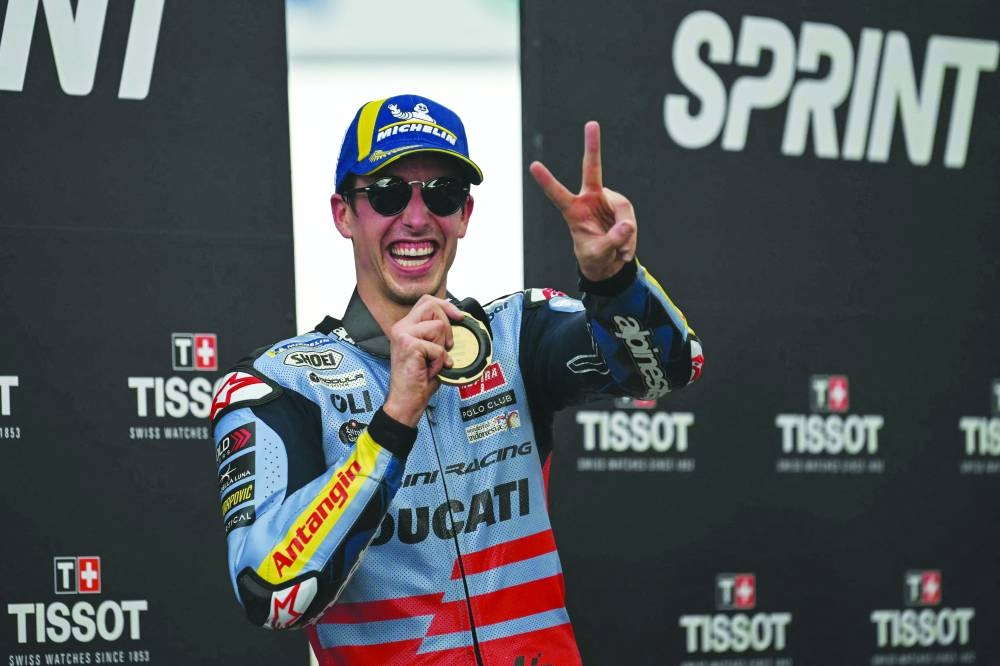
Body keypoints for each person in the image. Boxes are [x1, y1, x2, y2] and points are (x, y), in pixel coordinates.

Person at [210, 93, 704, 665]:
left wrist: (613, 279)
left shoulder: (518, 336)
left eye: (441, 194)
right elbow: (270, 593)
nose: (416, 218)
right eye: (388, 193)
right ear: (344, 213)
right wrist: (392, 423)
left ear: (464, 215)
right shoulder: (280, 386)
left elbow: (669, 370)